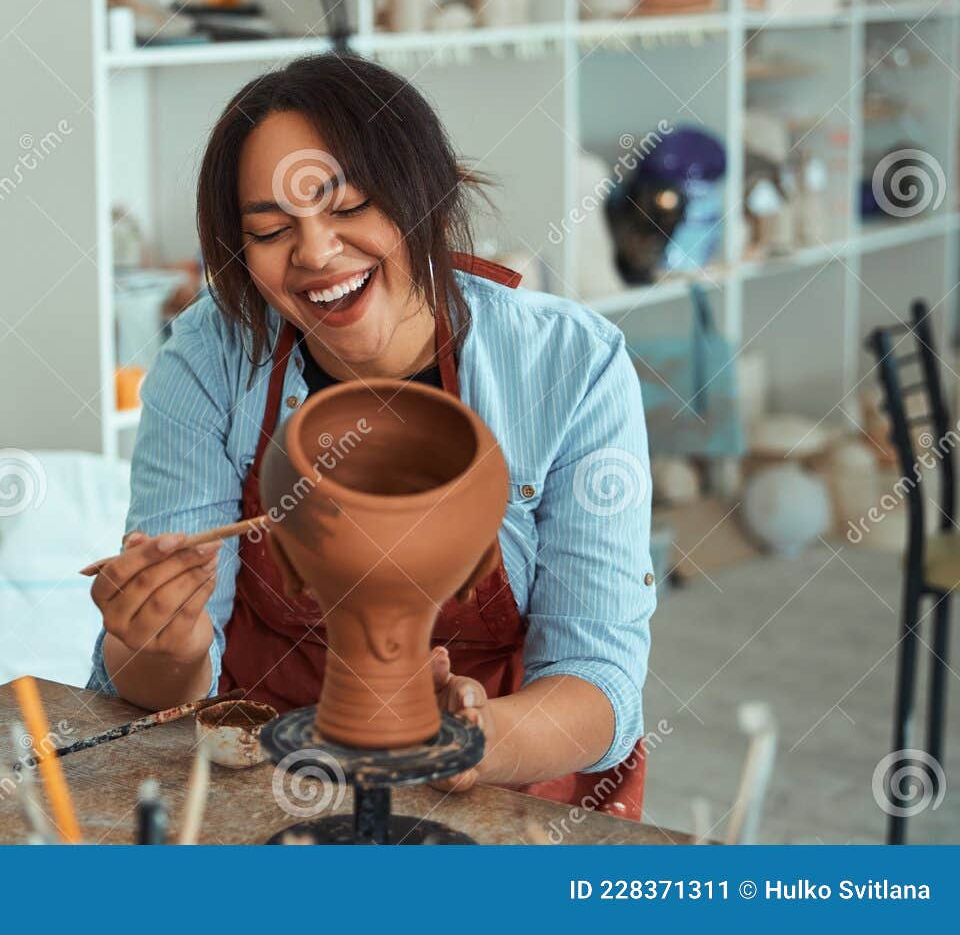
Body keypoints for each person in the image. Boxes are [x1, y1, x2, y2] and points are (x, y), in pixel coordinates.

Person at [86, 54, 655, 816]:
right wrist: (166, 641)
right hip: (264, 790)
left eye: (348, 207)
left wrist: (470, 737)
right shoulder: (212, 354)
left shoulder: (570, 366)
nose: (316, 253)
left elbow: (600, 681)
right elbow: (154, 685)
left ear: (425, 192)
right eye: (269, 229)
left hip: (496, 796)